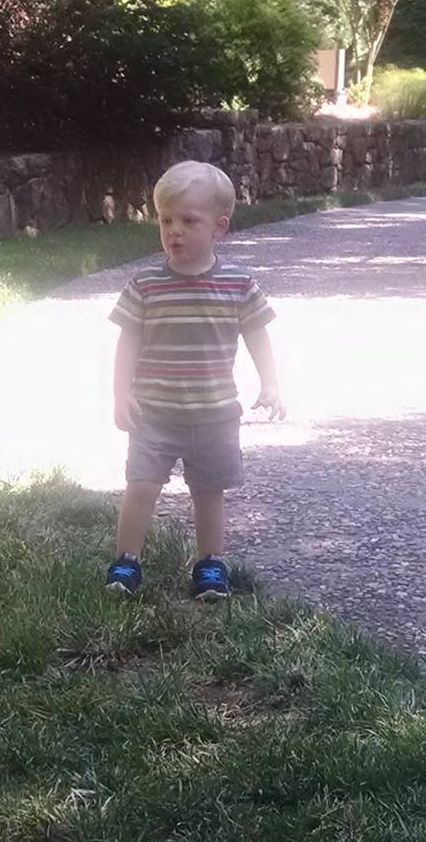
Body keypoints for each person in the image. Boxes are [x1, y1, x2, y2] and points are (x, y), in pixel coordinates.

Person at [105, 161, 285, 601]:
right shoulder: (146, 283)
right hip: (153, 413)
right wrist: (120, 393)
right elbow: (127, 343)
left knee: (208, 492)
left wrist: (271, 383)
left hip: (215, 415)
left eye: (188, 221)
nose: (174, 231)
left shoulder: (237, 284)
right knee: (141, 485)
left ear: (219, 227)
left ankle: (209, 564)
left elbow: (257, 336)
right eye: (166, 220)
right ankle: (126, 561)